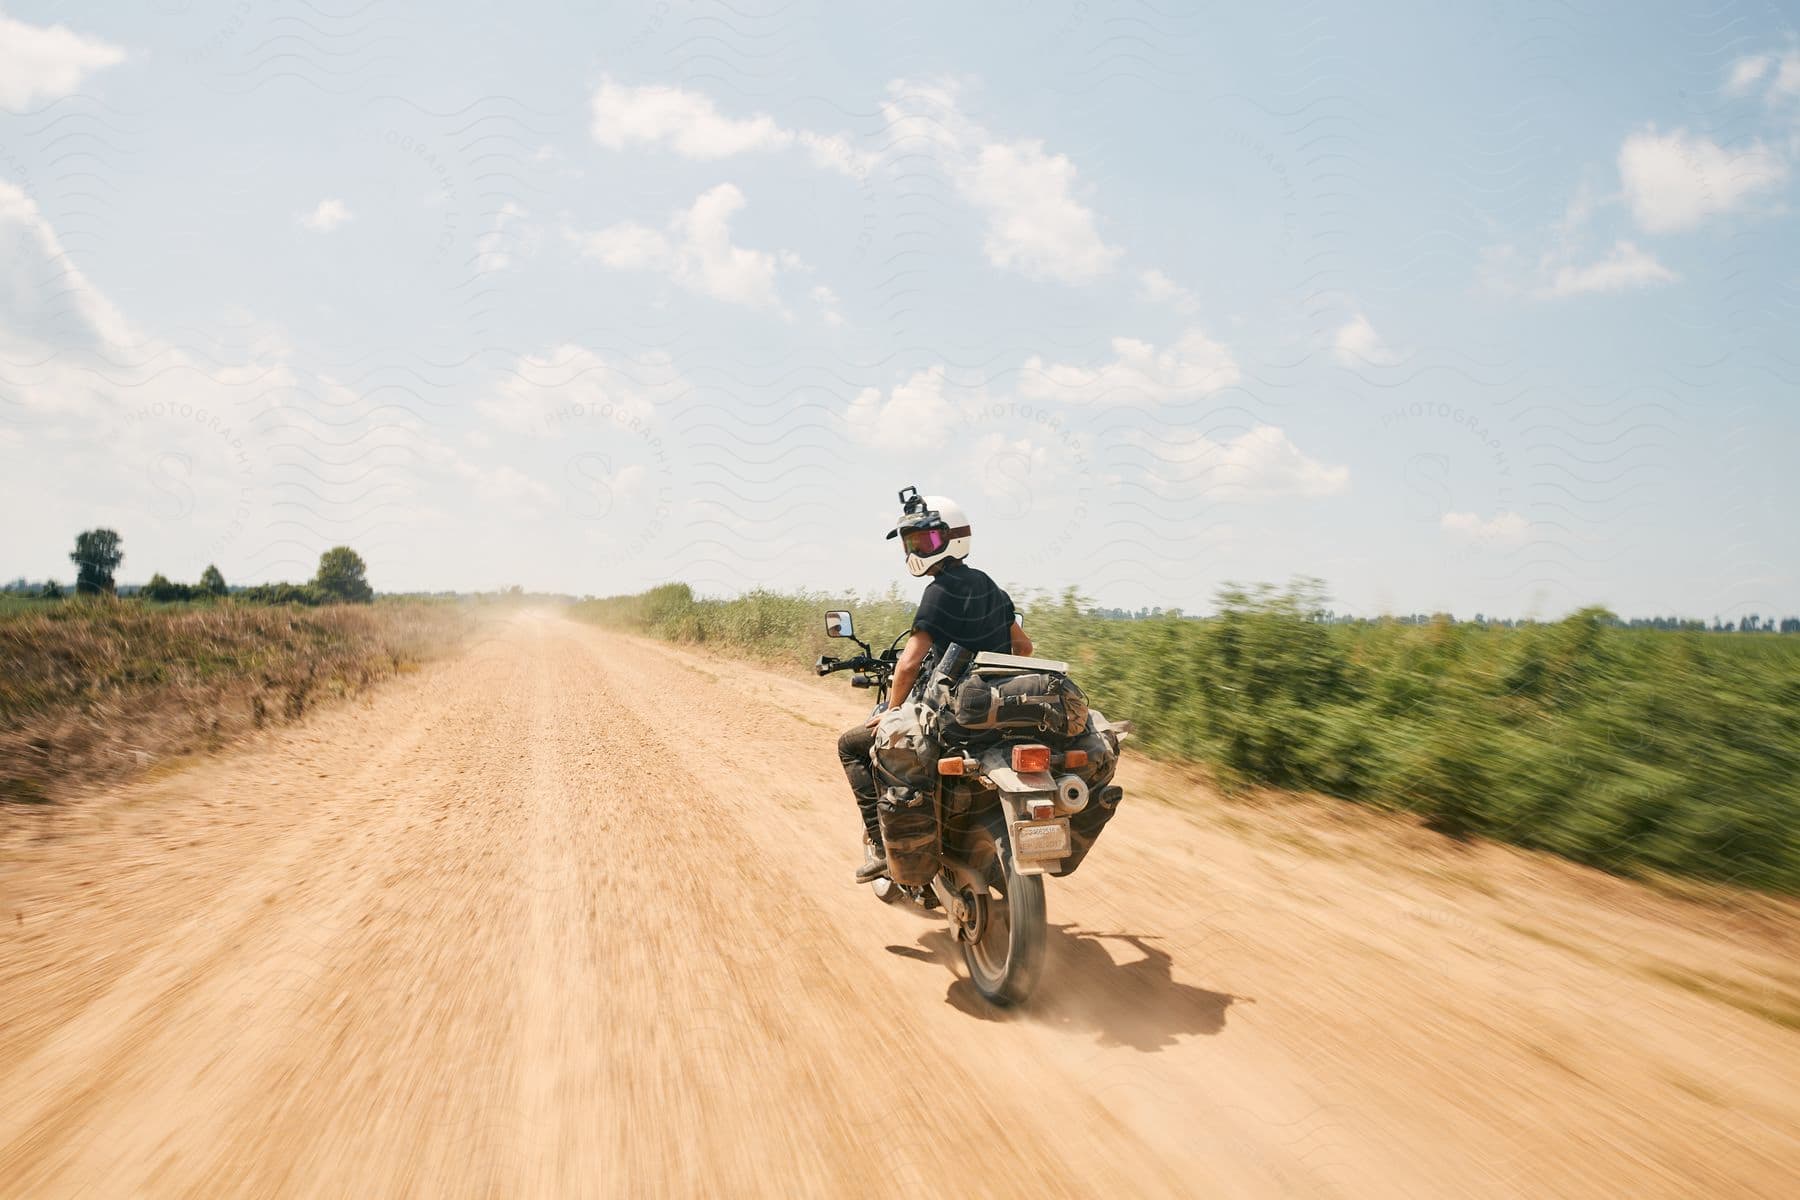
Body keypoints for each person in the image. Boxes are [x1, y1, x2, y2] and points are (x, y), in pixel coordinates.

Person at [837, 488, 1034, 883]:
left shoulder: (938, 592)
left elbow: (908, 664)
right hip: (994, 713)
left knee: (851, 745)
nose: (915, 550)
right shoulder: (992, 587)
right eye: (912, 542)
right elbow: (1024, 647)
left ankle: (880, 846)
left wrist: (893, 710)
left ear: (951, 537)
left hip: (952, 714)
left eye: (924, 540)